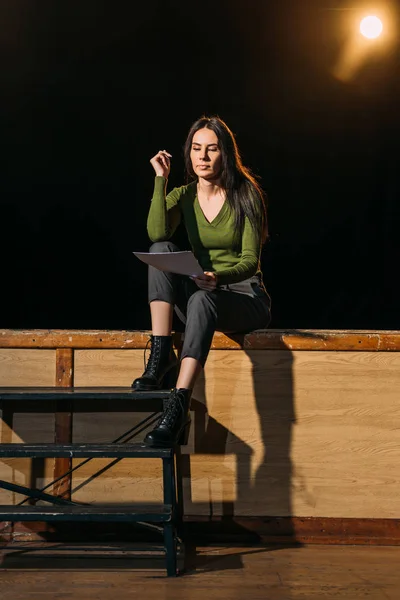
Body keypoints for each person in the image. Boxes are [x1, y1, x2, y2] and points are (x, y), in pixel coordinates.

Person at [133, 116, 271, 447]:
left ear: (226, 154)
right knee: (161, 249)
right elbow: (156, 232)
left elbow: (250, 262)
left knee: (201, 298)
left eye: (211, 149)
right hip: (201, 295)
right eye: (196, 149)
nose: (203, 157)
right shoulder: (185, 195)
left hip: (244, 297)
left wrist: (217, 277)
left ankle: (178, 405)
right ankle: (161, 352)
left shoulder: (246, 195)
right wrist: (160, 181)